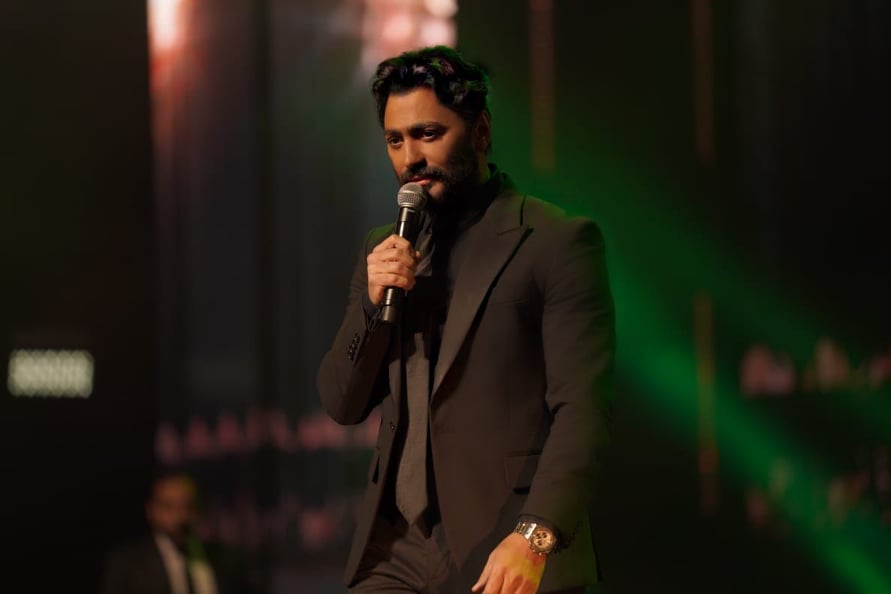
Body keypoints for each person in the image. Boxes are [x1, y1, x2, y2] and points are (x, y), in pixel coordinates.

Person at [317, 45, 615, 593]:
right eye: (395, 140)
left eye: (428, 134)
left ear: (480, 131)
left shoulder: (555, 242)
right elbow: (342, 402)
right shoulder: (385, 250)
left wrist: (535, 536)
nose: (410, 157)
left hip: (502, 535)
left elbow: (583, 411)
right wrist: (371, 306)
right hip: (396, 549)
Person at [100, 470, 245, 594]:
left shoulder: (221, 558)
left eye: (186, 506)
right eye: (168, 507)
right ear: (151, 511)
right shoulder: (128, 563)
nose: (180, 515)